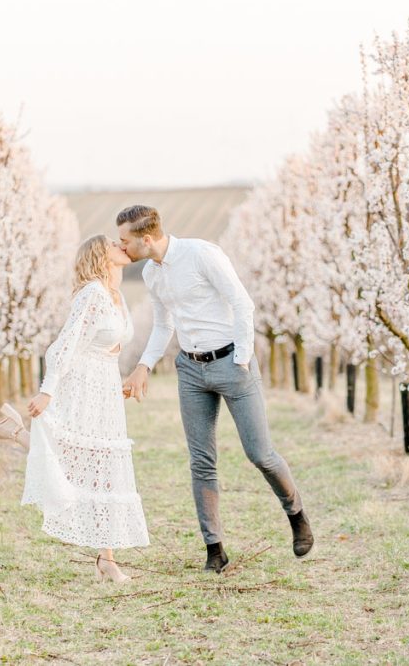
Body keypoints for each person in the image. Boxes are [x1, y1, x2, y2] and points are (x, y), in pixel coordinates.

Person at [118, 205, 313, 574]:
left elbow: (242, 303)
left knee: (260, 454)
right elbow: (163, 325)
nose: (120, 246)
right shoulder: (150, 273)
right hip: (191, 371)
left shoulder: (201, 254)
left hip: (231, 363)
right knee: (201, 462)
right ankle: (214, 549)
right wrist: (143, 365)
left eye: (125, 240)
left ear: (146, 239)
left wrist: (240, 359)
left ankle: (296, 514)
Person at [0, 235, 149, 582]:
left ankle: (107, 559)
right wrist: (47, 392)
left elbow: (113, 343)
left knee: (103, 468)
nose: (123, 247)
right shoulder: (91, 294)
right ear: (102, 256)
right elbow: (65, 345)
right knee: (72, 461)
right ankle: (12, 432)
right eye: (115, 246)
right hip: (80, 384)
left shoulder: (115, 295)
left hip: (104, 386)